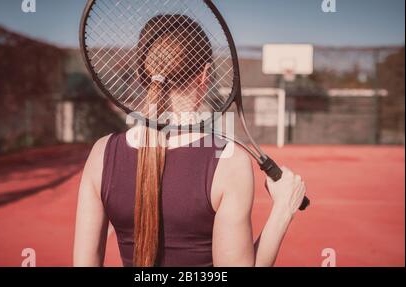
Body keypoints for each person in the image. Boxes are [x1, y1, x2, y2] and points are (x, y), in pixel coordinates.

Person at [73, 15, 306, 267]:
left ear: (143, 73)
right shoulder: (229, 162)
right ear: (205, 74)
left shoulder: (101, 153)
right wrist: (283, 208)